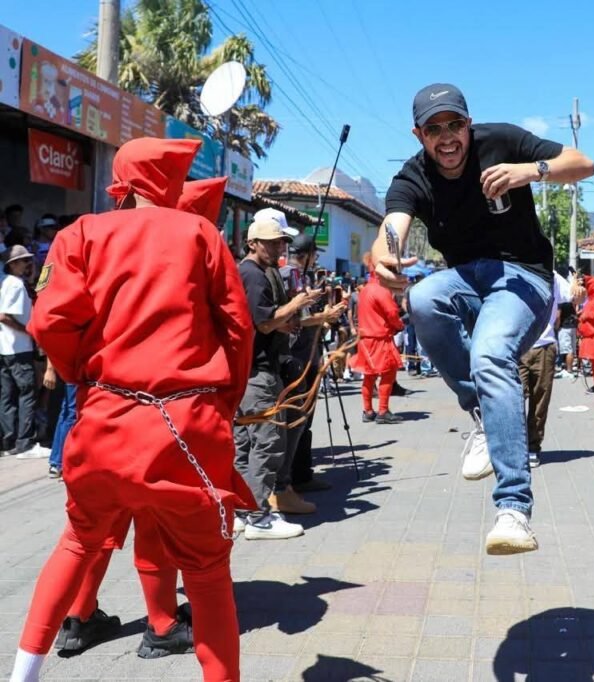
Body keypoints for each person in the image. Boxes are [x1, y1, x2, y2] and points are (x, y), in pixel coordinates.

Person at [12, 138, 257, 682]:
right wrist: (222, 402)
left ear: (122, 183)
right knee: (209, 575)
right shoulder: (202, 234)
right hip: (187, 429)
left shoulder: (82, 234)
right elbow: (238, 330)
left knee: (76, 542)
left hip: (104, 424)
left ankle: (20, 673)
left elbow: (49, 323)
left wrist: (88, 377)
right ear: (170, 183)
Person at [371, 83, 594, 555]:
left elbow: (584, 164)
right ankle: (479, 411)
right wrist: (384, 258)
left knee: (491, 352)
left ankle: (514, 508)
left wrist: (529, 172)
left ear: (469, 125)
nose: (447, 138)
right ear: (419, 135)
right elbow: (392, 229)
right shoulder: (412, 178)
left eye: (455, 125)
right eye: (434, 130)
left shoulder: (502, 142)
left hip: (524, 279)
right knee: (424, 297)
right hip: (467, 280)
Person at [233, 209, 320, 540]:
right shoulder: (254, 275)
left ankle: (243, 511)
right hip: (260, 373)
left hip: (250, 371)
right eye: (273, 243)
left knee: (244, 446)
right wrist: (299, 302)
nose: (280, 249)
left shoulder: (252, 272)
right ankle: (257, 516)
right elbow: (265, 321)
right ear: (254, 243)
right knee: (268, 443)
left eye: (282, 243)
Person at [278, 233, 345, 496]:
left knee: (301, 418)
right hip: (298, 355)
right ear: (305, 255)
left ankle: (299, 474)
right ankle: (294, 478)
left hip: (303, 352)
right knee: (299, 417)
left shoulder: (292, 274)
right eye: (314, 255)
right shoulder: (293, 275)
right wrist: (325, 316)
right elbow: (300, 319)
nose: (316, 259)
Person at [518, 271, 570, 468]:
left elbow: (573, 294)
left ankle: (533, 447)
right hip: (517, 346)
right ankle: (514, 446)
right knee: (513, 399)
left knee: (540, 401)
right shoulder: (510, 269)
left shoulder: (553, 276)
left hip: (544, 347)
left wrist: (580, 289)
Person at [1, 245, 45, 458]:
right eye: (24, 261)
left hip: (6, 348)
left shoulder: (7, 283)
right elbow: (4, 316)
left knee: (7, 395)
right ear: (13, 264)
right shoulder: (15, 285)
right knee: (27, 393)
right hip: (17, 347)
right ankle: (24, 443)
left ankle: (10, 441)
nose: (28, 264)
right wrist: (28, 332)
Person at [351, 262, 405, 425]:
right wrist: (399, 326)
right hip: (379, 338)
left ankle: (368, 411)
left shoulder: (366, 289)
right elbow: (392, 313)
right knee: (389, 372)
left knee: (369, 375)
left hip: (366, 338)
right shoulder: (381, 290)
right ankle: (383, 410)